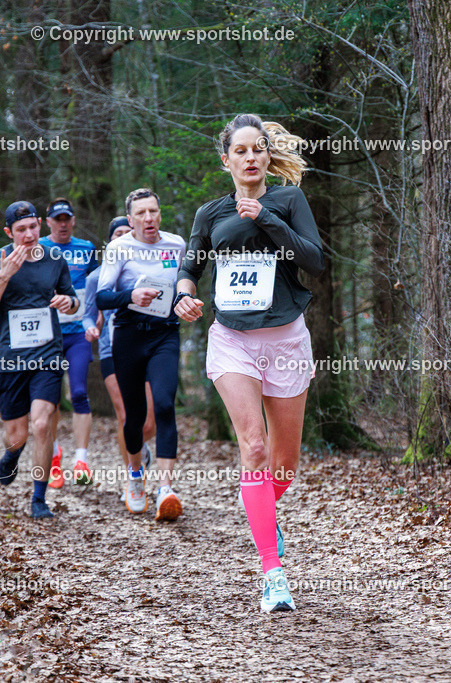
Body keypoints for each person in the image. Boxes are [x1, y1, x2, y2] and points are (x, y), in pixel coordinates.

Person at [175, 114, 324, 612]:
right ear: (227, 160)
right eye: (240, 150)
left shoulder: (288, 200)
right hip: (233, 342)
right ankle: (272, 574)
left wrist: (266, 219)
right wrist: (183, 295)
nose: (251, 156)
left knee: (283, 466)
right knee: (254, 449)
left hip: (286, 339)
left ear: (266, 154)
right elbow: (191, 266)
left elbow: (315, 259)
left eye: (258, 148)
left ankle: (261, 507)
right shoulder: (209, 213)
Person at [0, 200, 79, 519]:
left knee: (43, 423)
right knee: (18, 434)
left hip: (47, 355)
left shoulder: (55, 258)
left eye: (34, 226)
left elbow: (72, 300)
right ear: (9, 232)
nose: (30, 234)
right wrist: (4, 275)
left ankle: (38, 498)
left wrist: (69, 303)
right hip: (11, 360)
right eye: (21, 230)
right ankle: (11, 454)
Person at [97, 189, 187, 520]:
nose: (148, 218)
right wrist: (131, 295)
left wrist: (184, 301)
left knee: (164, 403)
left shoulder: (176, 245)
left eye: (153, 211)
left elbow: (184, 284)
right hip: (129, 336)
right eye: (141, 214)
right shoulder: (118, 248)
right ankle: (135, 475)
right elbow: (103, 298)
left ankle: (166, 488)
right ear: (130, 219)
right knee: (134, 417)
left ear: (160, 213)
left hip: (165, 333)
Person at [82, 216, 157, 511]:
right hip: (112, 349)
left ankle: (139, 447)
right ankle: (133, 478)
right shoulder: (96, 277)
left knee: (148, 422)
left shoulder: (147, 270)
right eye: (119, 234)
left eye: (129, 233)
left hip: (145, 345)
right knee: (126, 414)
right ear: (111, 242)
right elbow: (88, 312)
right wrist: (91, 325)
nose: (125, 238)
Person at [39, 198, 99, 488]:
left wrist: (96, 319)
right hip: (47, 334)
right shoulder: (38, 248)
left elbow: (100, 285)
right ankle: (53, 458)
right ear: (47, 222)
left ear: (73, 221)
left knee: (78, 392)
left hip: (77, 332)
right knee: (48, 401)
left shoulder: (86, 249)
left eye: (67, 219)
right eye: (57, 219)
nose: (62, 224)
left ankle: (81, 459)